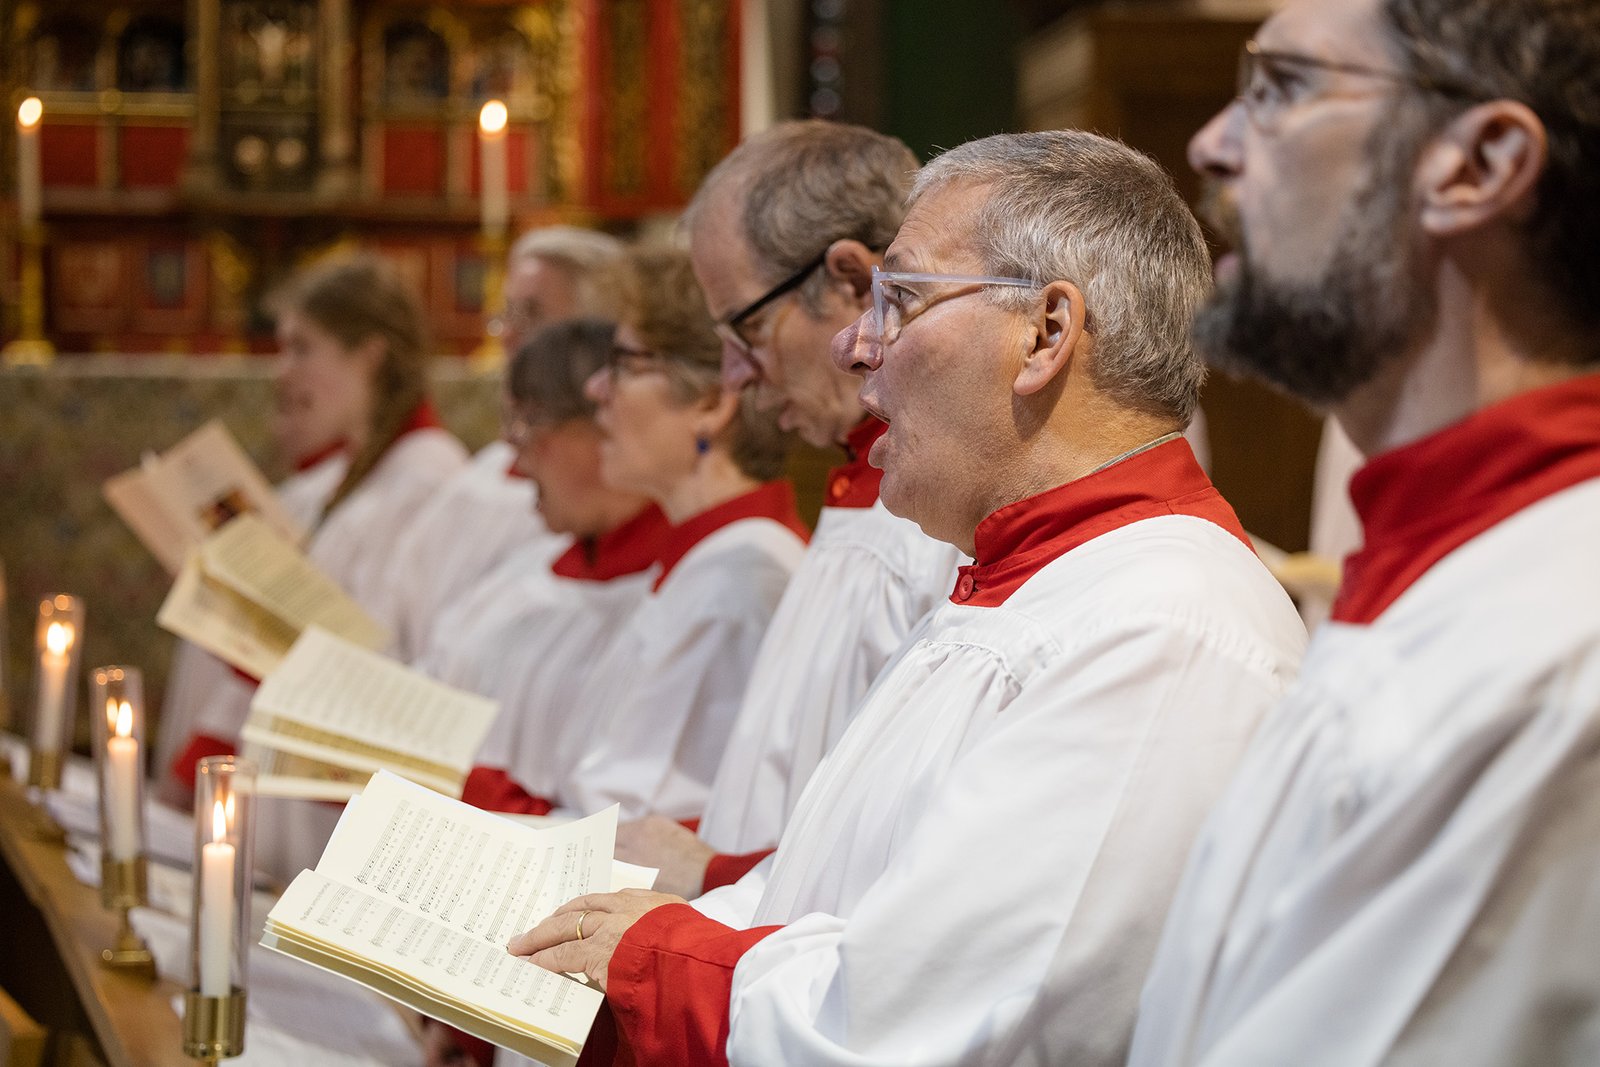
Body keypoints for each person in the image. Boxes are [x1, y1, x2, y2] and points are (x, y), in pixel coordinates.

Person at [505, 130, 1308, 1067]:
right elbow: (831, 892)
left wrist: (656, 959)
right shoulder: (1022, 584)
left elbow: (933, 1025)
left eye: (902, 300)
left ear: (1046, 332)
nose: (855, 344)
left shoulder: (1160, 627)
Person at [1127, 1, 1600, 1064]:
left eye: (1282, 87)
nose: (1210, 142)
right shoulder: (1459, 578)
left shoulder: (1549, 662)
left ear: (1475, 165)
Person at [614, 120, 965, 898]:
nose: (734, 375)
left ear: (851, 282)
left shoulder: (938, 536)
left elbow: (897, 866)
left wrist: (711, 874)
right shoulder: (857, 500)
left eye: (747, 327)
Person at [465, 246, 808, 824]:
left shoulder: (739, 587)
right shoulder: (706, 563)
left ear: (710, 402)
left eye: (625, 364)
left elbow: (643, 840)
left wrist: (459, 790)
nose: (597, 389)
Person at [164, 253, 467, 790]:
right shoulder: (341, 478)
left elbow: (386, 662)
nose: (284, 372)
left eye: (302, 348)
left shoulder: (428, 482)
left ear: (369, 355)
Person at [379, 225, 628, 662]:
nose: (508, 336)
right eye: (506, 314)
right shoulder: (484, 470)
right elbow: (400, 600)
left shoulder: (587, 493)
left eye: (531, 315)